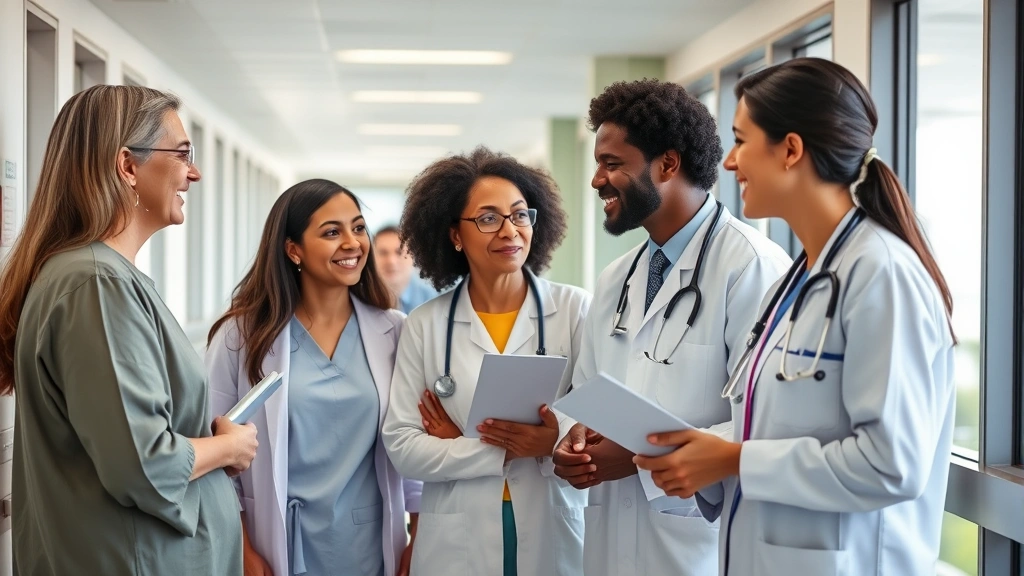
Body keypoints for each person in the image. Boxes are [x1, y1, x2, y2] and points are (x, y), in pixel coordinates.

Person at [633, 58, 957, 576]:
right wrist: (705, 449)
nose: (730, 162)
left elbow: (891, 464)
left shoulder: (882, 273)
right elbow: (782, 421)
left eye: (741, 140)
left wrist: (733, 459)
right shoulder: (807, 275)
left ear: (790, 150)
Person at [0, 85, 256, 575]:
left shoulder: (99, 277)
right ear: (127, 166)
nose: (194, 172)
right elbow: (144, 465)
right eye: (183, 154)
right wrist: (228, 447)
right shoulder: (96, 285)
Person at [551, 79, 792, 576]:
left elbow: (767, 423)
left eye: (612, 164)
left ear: (667, 163)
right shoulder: (617, 278)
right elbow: (586, 391)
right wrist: (577, 442)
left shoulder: (751, 267)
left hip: (697, 550)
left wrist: (641, 460)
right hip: (610, 545)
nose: (597, 180)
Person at [382, 147, 590, 576]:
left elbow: (594, 420)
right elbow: (403, 444)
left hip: (551, 516)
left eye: (519, 215)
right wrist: (502, 451)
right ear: (455, 235)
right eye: (488, 218)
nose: (510, 230)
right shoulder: (425, 325)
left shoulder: (574, 310)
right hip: (458, 533)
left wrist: (548, 441)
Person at [206, 179, 422, 576]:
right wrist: (242, 548)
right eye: (331, 232)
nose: (352, 243)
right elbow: (215, 455)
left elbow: (413, 446)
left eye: (358, 228)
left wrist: (418, 536)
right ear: (293, 249)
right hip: (274, 544)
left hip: (368, 545)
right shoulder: (240, 337)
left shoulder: (396, 331)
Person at [374, 225, 438, 313]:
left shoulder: (432, 300)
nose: (391, 261)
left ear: (413, 257)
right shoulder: (360, 301)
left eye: (399, 252)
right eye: (383, 253)